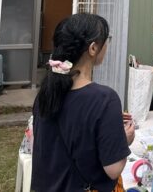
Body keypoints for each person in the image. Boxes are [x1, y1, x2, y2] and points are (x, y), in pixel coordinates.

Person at [32, 13, 135, 192]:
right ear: (93, 48)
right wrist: (123, 140)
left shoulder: (45, 93)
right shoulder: (104, 99)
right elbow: (113, 169)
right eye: (106, 40)